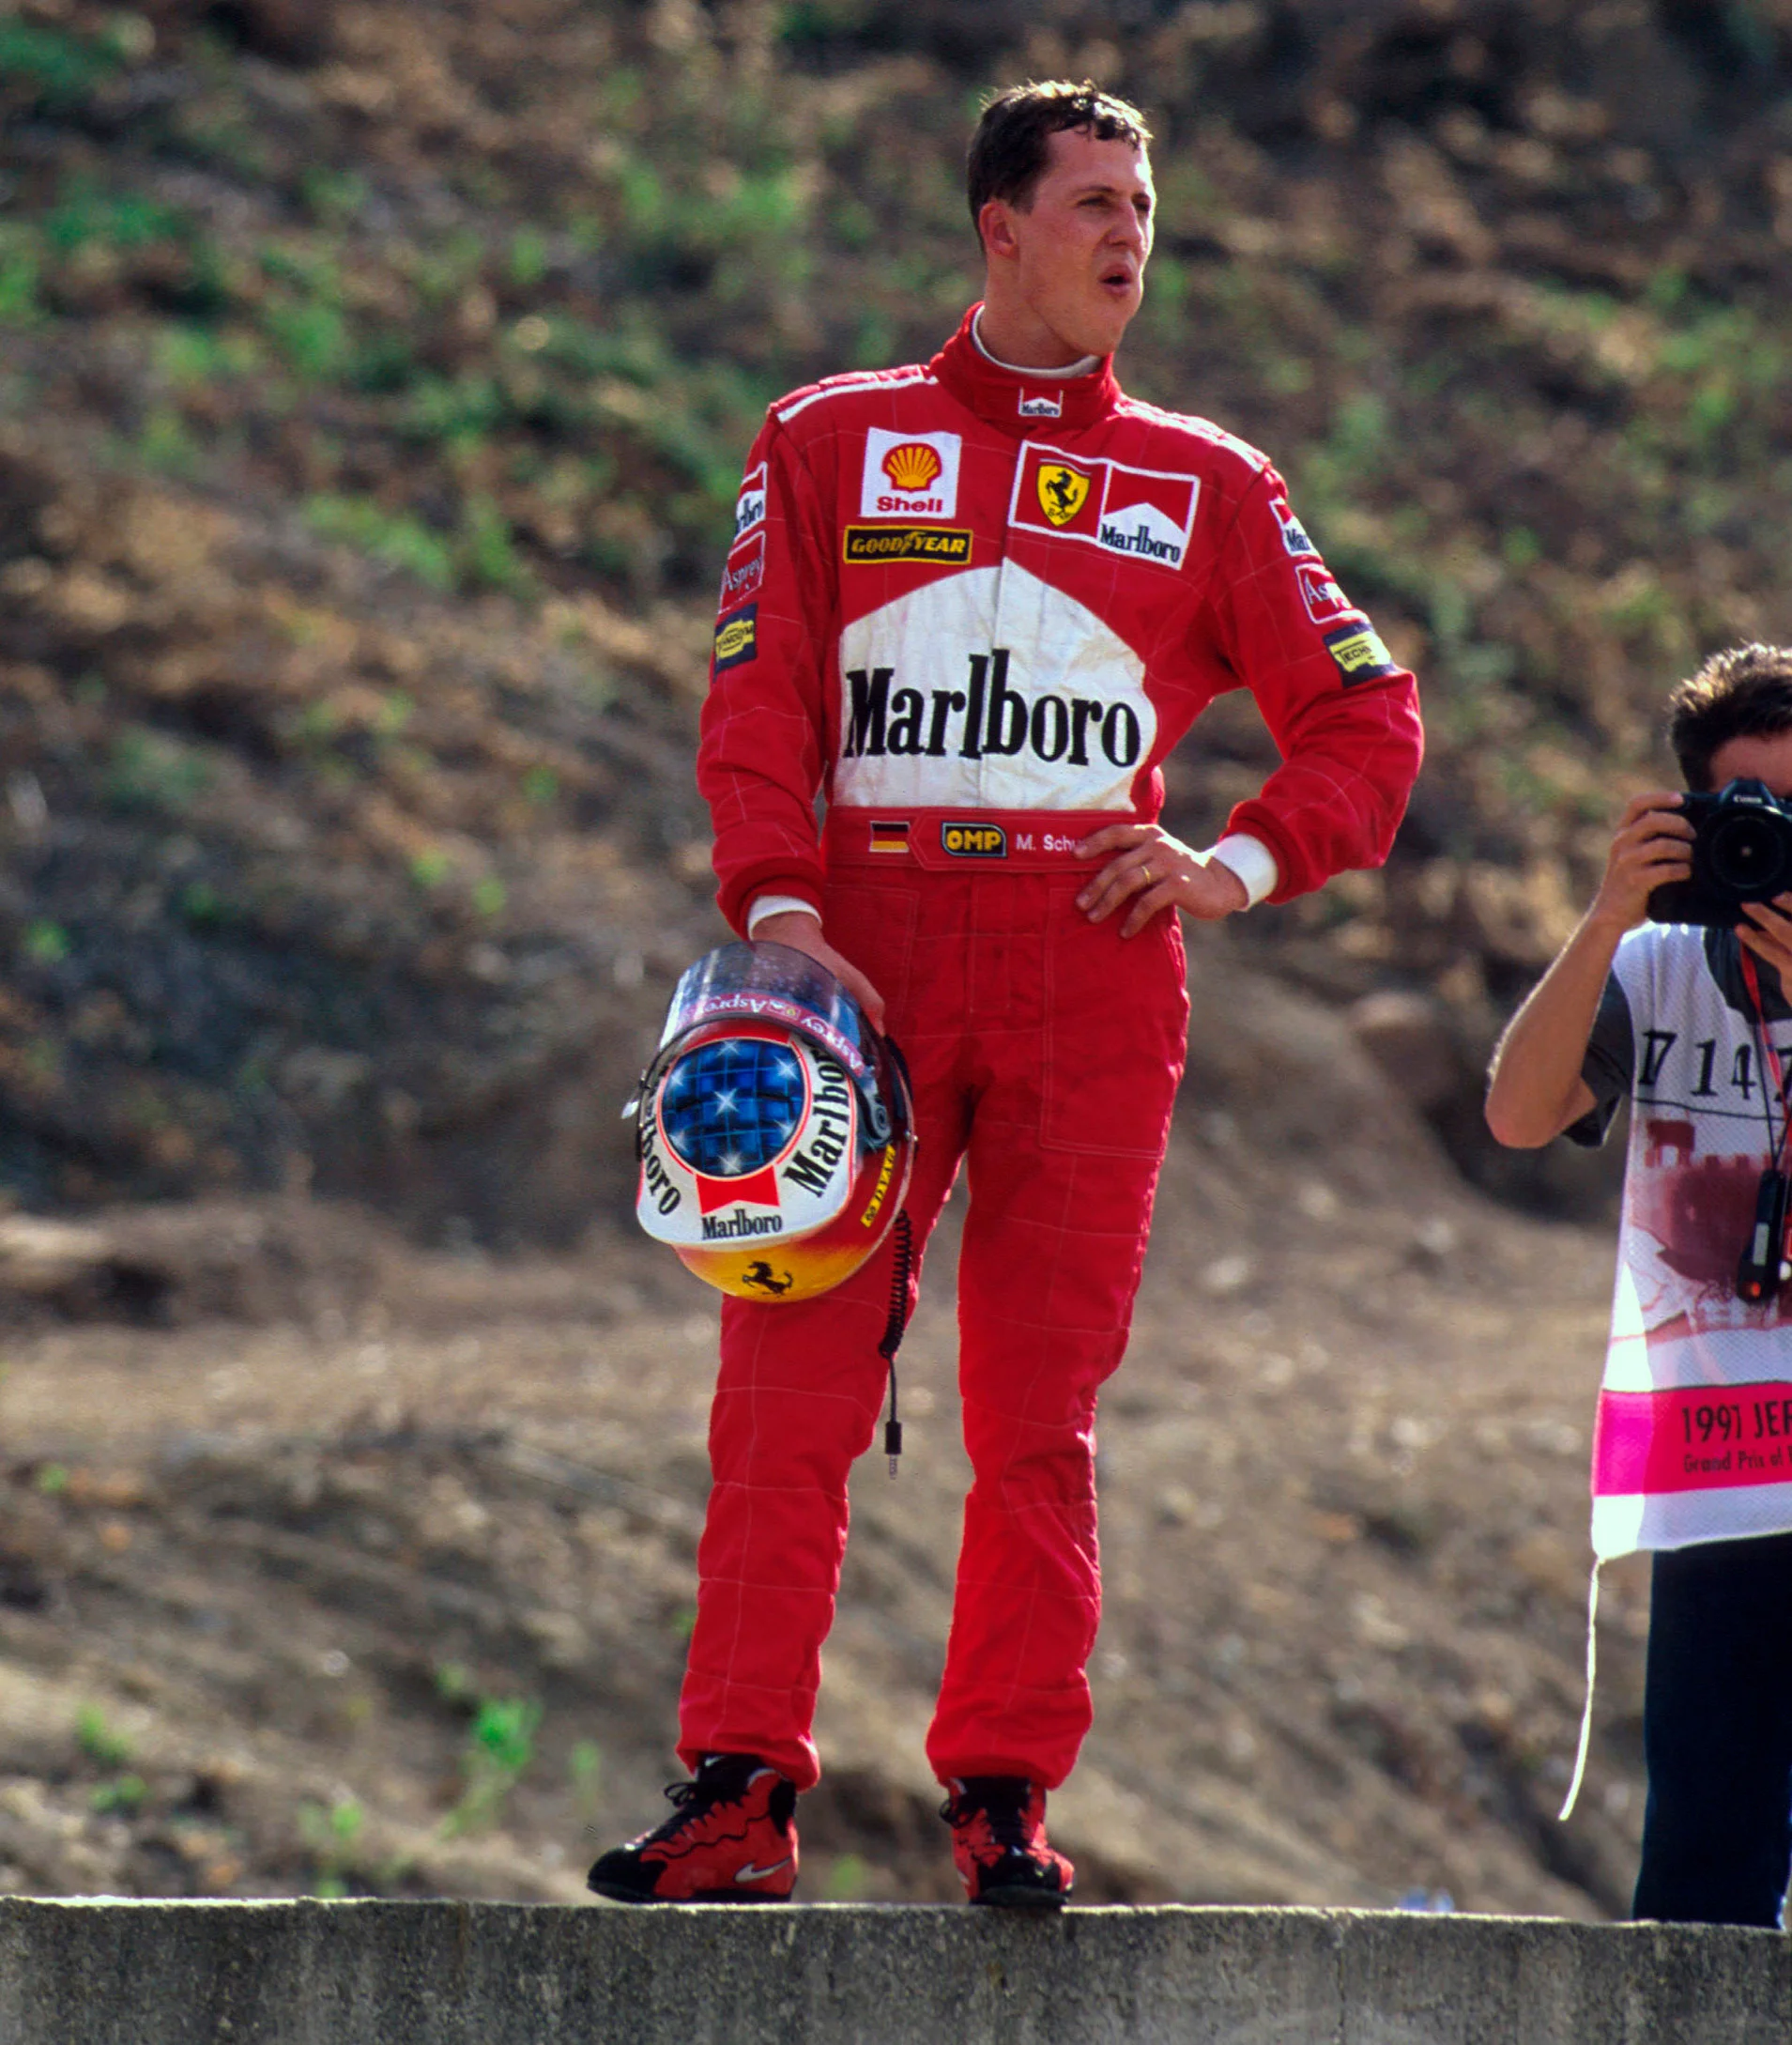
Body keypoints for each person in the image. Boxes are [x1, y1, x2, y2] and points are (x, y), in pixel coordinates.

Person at [590, 79, 1422, 1908]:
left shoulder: (1210, 481)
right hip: (861, 966)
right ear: (1001, 228)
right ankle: (738, 1787)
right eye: (1096, 203)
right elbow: (758, 693)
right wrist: (781, 903)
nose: (1132, 235)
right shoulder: (829, 437)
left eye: (1146, 206)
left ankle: (1001, 1795)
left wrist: (1236, 864)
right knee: (787, 1384)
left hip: (1092, 966)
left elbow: (1369, 718)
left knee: (1039, 1408)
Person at [1485, 643, 1792, 1929]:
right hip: (1724, 1474)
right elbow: (1516, 1113)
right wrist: (1610, 915)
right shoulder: (1657, 967)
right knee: (1703, 1881)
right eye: (1749, 814)